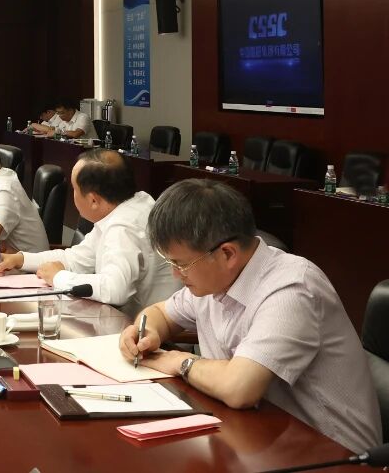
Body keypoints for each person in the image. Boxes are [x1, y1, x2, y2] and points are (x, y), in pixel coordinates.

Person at [118, 179, 380, 452]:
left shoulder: (292, 289)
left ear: (227, 253)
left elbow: (239, 388)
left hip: (332, 454)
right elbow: (160, 313)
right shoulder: (213, 279)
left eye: (181, 264)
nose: (175, 274)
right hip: (255, 436)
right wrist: (146, 332)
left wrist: (179, 361)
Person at [0, 149, 177, 317]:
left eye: (75, 189)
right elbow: (76, 259)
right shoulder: (131, 205)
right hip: (125, 321)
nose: (73, 195)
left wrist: (59, 277)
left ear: (94, 200)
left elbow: (115, 290)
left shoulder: (124, 227)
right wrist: (20, 259)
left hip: (147, 333)